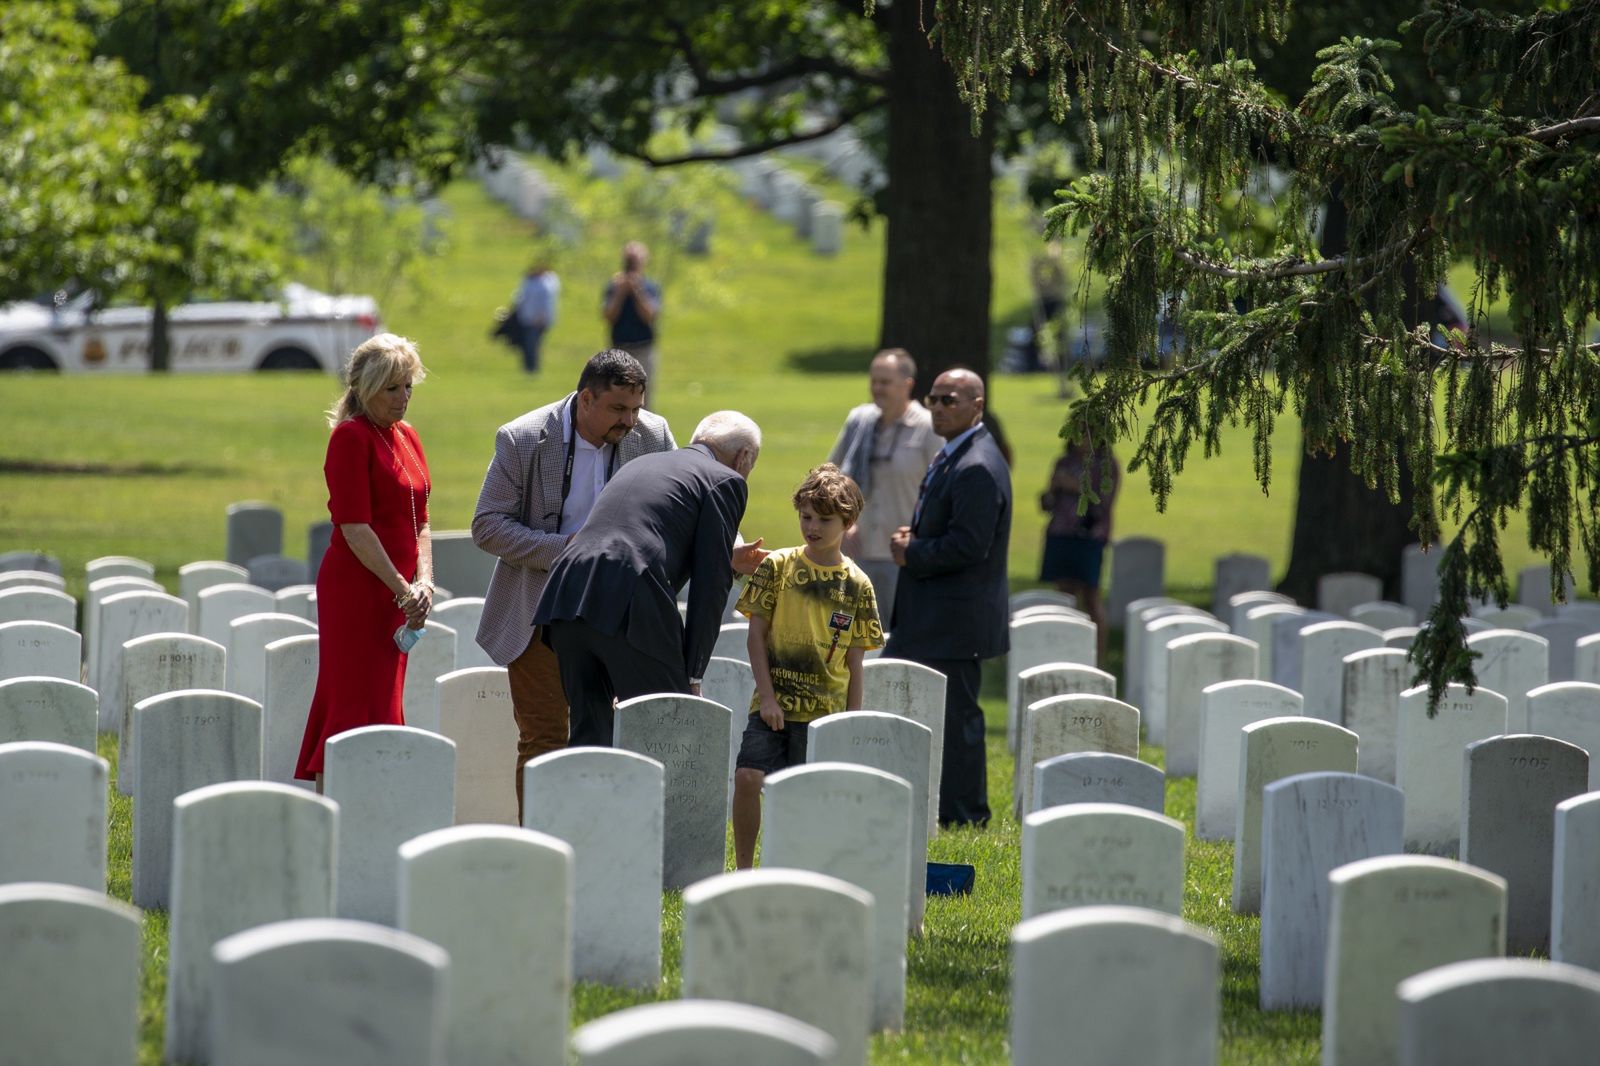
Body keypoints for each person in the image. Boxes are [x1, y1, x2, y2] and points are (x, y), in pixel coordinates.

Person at [471, 349, 676, 815]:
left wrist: (729, 549)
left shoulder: (654, 434)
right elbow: (486, 526)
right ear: (585, 399)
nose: (630, 421)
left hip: (621, 615)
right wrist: (570, 549)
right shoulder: (522, 438)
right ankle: (542, 859)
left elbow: (684, 504)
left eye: (635, 409)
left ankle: (605, 851)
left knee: (616, 741)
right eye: (618, 410)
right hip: (537, 613)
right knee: (544, 739)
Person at [534, 411, 766, 746]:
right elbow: (710, 584)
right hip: (629, 598)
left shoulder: (643, 463)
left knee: (590, 736)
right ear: (744, 457)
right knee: (670, 730)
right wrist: (693, 673)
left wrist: (729, 562)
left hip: (567, 593)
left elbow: (643, 532)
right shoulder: (725, 479)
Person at [296, 334, 434, 787]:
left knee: (384, 698)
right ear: (364, 389)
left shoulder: (407, 436)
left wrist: (425, 584)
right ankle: (338, 802)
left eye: (408, 386)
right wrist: (403, 589)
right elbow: (355, 528)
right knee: (353, 701)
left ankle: (377, 800)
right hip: (359, 592)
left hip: (400, 594)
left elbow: (422, 522)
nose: (403, 398)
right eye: (391, 389)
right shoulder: (351, 438)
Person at [731, 464, 882, 869]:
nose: (812, 526)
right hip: (772, 705)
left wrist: (850, 722)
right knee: (748, 777)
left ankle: (800, 870)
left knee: (804, 797)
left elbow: (855, 661)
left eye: (824, 519)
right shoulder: (777, 566)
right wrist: (766, 698)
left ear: (848, 523)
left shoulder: (858, 585)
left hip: (823, 711)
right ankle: (744, 871)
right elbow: (755, 636)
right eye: (806, 516)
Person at [883, 367, 1012, 828]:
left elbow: (969, 546)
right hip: (933, 617)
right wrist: (915, 536)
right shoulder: (957, 453)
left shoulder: (977, 465)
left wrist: (911, 550)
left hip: (954, 621)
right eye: (933, 399)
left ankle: (966, 816)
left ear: (977, 405)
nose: (938, 407)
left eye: (950, 400)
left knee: (957, 722)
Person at [826, 348, 943, 609]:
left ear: (907, 385)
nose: (877, 388)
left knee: (896, 639)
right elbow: (829, 479)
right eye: (874, 381)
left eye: (885, 382)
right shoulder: (859, 421)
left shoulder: (928, 427)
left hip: (902, 557)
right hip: (855, 554)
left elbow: (942, 493)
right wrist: (841, 524)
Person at [1039, 432, 1120, 664]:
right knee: (1063, 594)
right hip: (1060, 532)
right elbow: (1048, 504)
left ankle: (1098, 657)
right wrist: (1051, 491)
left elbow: (1104, 503)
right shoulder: (1063, 462)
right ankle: (1063, 651)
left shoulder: (1107, 466)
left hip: (1089, 535)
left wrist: (1076, 487)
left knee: (1091, 596)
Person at [602, 241, 662, 407]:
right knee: (616, 397)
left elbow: (650, 316)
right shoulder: (613, 286)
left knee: (643, 398)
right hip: (619, 349)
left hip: (643, 349)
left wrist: (637, 291)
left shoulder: (650, 287)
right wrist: (620, 293)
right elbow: (609, 315)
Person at [512, 263, 560, 373]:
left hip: (537, 320)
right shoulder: (529, 281)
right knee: (527, 344)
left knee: (531, 344)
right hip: (525, 318)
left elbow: (545, 303)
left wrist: (541, 317)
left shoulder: (545, 284)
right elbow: (520, 298)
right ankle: (528, 367)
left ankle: (531, 368)